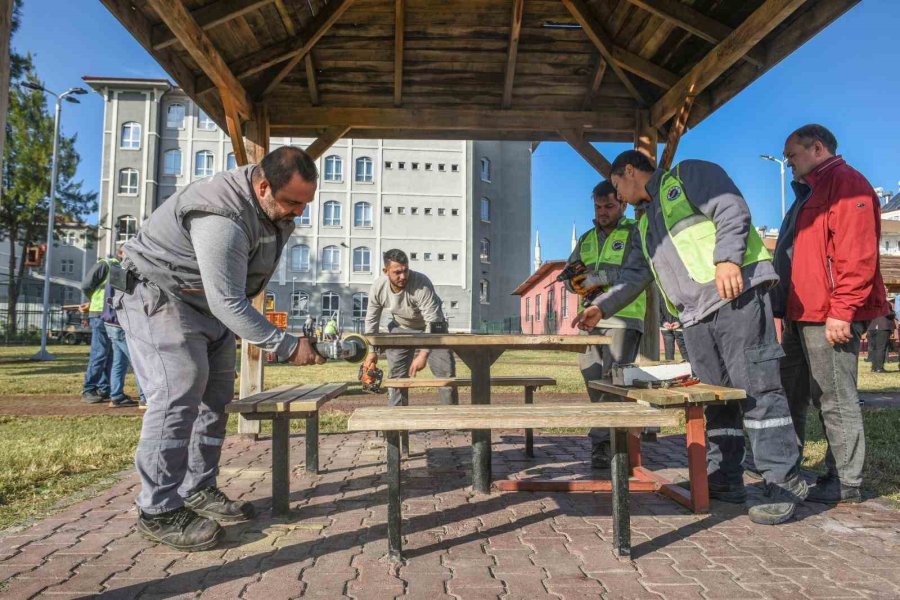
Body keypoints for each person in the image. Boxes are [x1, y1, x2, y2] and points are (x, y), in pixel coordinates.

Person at [572, 150, 807, 526]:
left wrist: (728, 259)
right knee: (714, 398)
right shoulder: (646, 223)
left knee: (757, 388)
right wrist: (601, 306)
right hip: (695, 317)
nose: (618, 196)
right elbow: (635, 277)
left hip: (735, 295)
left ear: (630, 171)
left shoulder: (688, 175)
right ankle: (724, 476)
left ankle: (781, 480)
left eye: (617, 186)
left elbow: (731, 208)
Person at [114, 146, 325, 552]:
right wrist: (285, 345)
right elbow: (227, 301)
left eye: (306, 203)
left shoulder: (270, 207)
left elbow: (233, 291)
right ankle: (157, 509)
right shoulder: (221, 217)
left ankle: (198, 488)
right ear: (263, 186)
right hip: (160, 295)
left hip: (204, 302)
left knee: (215, 398)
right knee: (178, 391)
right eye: (294, 202)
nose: (300, 212)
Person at [772, 125, 889, 505]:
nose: (788, 162)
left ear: (817, 148)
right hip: (801, 312)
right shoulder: (810, 190)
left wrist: (843, 310)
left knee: (835, 396)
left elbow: (857, 255)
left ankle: (846, 481)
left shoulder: (847, 184)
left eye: (791, 155)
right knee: (793, 392)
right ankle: (784, 467)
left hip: (828, 314)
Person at [567, 181, 647, 468]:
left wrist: (595, 276)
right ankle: (608, 441)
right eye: (598, 207)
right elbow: (571, 277)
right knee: (592, 381)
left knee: (613, 383)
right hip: (588, 321)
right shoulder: (586, 238)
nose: (602, 212)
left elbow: (633, 273)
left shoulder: (634, 233)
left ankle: (607, 445)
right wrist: (572, 279)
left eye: (609, 206)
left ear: (623, 204)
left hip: (623, 319)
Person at [363, 249, 458, 407]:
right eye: (397, 272)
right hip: (401, 327)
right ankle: (397, 424)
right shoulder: (378, 287)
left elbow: (433, 321)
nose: (403, 276)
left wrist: (423, 354)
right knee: (397, 378)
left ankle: (453, 422)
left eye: (406, 270)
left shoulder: (421, 283)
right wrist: (372, 352)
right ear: (386, 271)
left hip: (434, 329)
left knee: (445, 376)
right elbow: (371, 320)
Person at [101, 249, 142, 408]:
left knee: (120, 362)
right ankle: (145, 396)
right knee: (138, 361)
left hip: (110, 323)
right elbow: (123, 301)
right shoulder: (124, 273)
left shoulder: (115, 272)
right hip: (119, 324)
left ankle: (117, 395)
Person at [79, 256, 117, 403]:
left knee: (110, 354)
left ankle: (103, 388)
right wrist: (92, 300)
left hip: (111, 314)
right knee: (100, 353)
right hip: (100, 313)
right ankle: (89, 389)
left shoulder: (121, 266)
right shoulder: (106, 264)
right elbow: (86, 286)